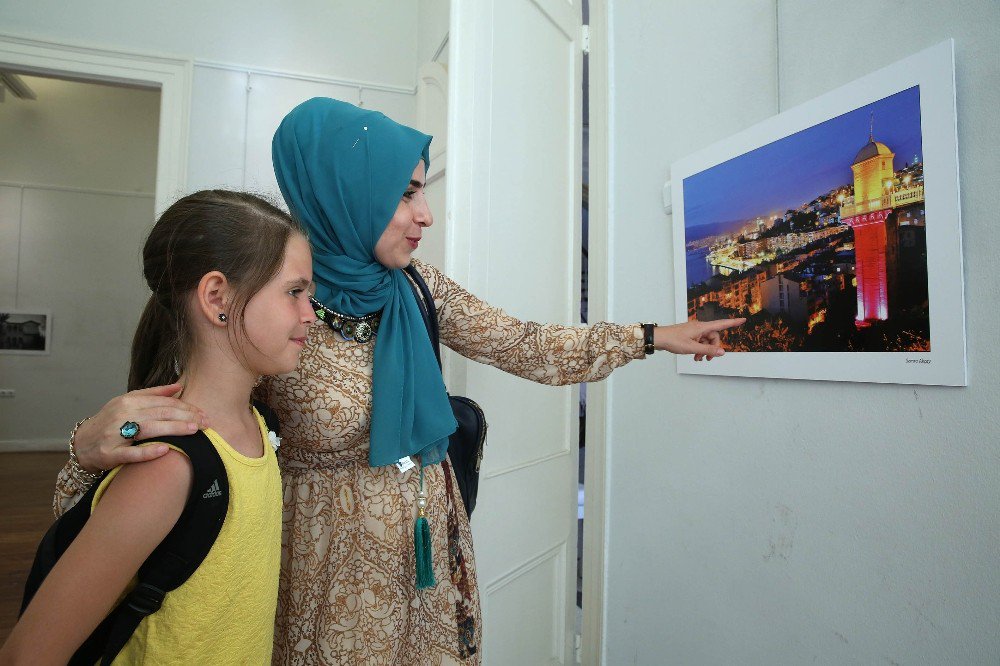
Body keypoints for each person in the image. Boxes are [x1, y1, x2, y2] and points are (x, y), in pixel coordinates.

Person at [57, 99, 743, 665]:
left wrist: (653, 337)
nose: (425, 213)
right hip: (327, 575)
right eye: (406, 192)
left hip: (425, 559)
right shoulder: (270, 306)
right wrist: (93, 443)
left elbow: (528, 345)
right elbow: (179, 435)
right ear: (346, 192)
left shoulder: (414, 288)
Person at [4, 190, 315, 664]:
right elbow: (29, 654)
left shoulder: (259, 428)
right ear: (217, 298)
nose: (309, 315)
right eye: (295, 292)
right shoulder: (166, 467)